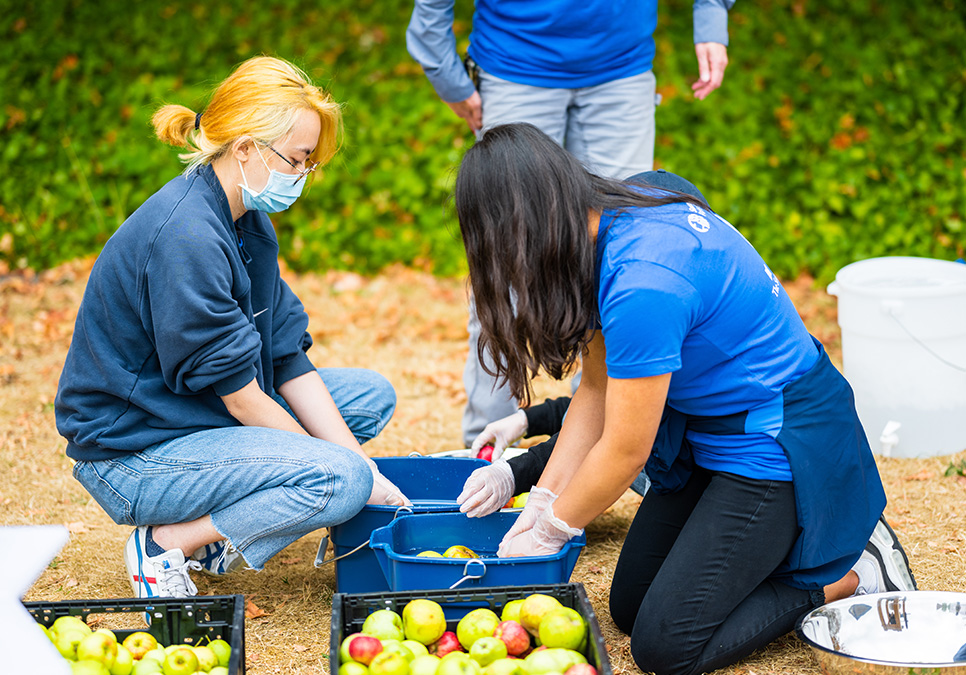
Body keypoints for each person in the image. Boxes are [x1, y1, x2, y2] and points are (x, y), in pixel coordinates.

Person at [452, 123, 917, 675]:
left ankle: (846, 575)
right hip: (708, 435)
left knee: (666, 648)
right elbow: (596, 390)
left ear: (521, 228)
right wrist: (541, 495)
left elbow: (625, 451)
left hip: (776, 445)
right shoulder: (600, 227)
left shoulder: (643, 280)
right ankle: (768, 559)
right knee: (628, 608)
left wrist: (555, 527)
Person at [54, 56, 410, 600]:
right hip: (134, 453)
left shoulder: (247, 220)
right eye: (296, 159)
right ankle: (169, 540)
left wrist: (359, 462)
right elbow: (245, 401)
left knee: (367, 398)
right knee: (341, 479)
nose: (303, 175)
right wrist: (346, 472)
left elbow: (286, 356)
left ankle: (238, 518)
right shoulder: (188, 237)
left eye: (309, 163)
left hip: (192, 414)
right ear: (245, 148)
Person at [407, 0, 735, 446]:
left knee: (621, 262)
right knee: (504, 267)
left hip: (623, 71)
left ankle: (593, 450)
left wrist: (711, 12)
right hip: (515, 66)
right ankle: (484, 449)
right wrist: (447, 74)